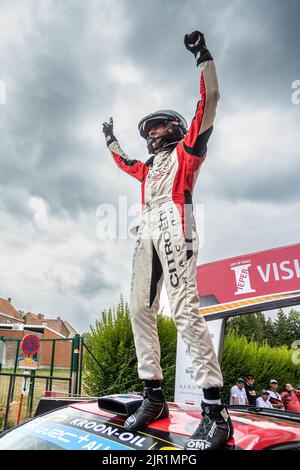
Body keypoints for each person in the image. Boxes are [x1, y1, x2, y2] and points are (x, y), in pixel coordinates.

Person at [102, 31, 233, 450]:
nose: (154, 131)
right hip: (146, 230)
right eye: (150, 127)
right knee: (140, 308)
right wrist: (109, 137)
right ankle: (153, 395)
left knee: (182, 310)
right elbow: (124, 162)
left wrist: (202, 55)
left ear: (174, 128)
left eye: (160, 125)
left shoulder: (188, 151)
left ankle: (214, 409)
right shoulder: (147, 167)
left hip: (176, 223)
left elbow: (209, 102)